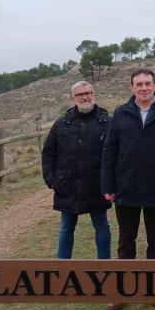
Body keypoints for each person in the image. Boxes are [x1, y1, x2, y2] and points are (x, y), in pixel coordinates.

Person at [101, 68, 155, 310]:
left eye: (148, 83)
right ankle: (121, 291)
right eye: (139, 84)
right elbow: (110, 151)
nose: (144, 88)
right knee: (126, 241)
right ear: (132, 88)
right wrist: (107, 185)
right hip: (125, 188)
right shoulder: (121, 113)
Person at [41, 81, 111, 263]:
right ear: (73, 98)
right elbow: (48, 153)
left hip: (97, 185)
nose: (85, 97)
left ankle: (105, 264)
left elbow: (116, 155)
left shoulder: (107, 122)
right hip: (67, 185)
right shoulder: (61, 124)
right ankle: (63, 266)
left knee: (102, 226)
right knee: (66, 227)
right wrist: (51, 179)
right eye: (80, 94)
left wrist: (111, 182)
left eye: (88, 93)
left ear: (94, 94)